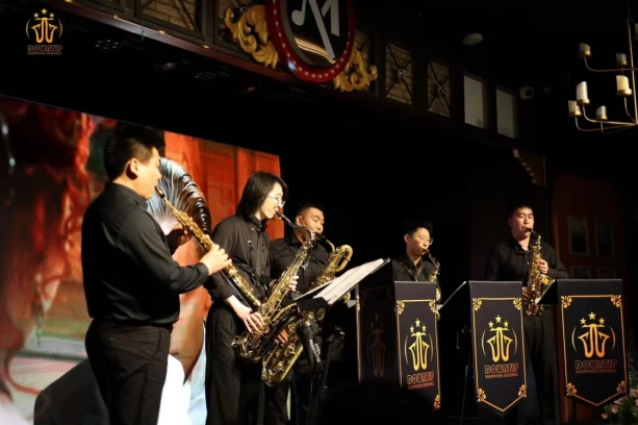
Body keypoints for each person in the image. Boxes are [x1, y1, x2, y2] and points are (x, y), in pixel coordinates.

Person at [81, 127, 231, 425]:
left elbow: (129, 267)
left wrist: (167, 244)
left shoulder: (103, 208)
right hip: (137, 341)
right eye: (156, 166)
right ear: (134, 166)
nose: (159, 176)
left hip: (117, 337)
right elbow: (172, 278)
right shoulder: (133, 216)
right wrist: (208, 264)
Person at [204, 171, 298, 425]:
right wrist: (238, 308)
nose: (280, 205)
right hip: (228, 318)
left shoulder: (264, 236)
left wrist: (277, 284)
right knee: (225, 404)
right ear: (259, 194)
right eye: (277, 197)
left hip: (254, 325)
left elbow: (258, 280)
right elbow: (210, 273)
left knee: (249, 406)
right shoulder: (229, 227)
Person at [482, 203, 569, 425]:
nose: (527, 220)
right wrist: (514, 291)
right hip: (515, 320)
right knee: (515, 377)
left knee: (548, 377)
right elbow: (488, 286)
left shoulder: (545, 249)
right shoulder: (500, 251)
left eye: (530, 216)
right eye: (521, 216)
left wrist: (549, 271)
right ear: (510, 221)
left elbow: (565, 277)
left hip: (543, 319)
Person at [269, 201, 330, 425]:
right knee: (276, 396)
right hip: (282, 329)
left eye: (323, 222)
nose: (320, 226)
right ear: (299, 221)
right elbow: (264, 285)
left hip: (311, 330)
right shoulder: (276, 248)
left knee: (308, 395)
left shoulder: (322, 252)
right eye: (316, 220)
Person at [391, 221, 441, 300]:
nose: (426, 244)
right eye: (422, 238)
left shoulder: (430, 268)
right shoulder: (393, 266)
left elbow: (437, 300)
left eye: (428, 240)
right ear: (407, 238)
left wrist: (437, 296)